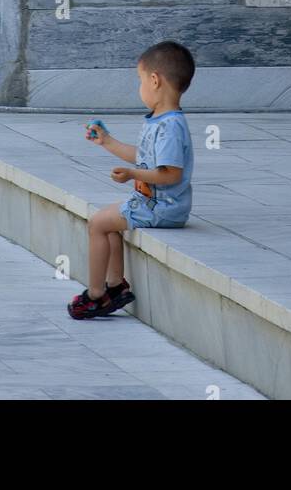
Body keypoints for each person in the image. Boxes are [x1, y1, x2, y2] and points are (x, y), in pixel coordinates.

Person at [67, 40, 195, 319]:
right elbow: (143, 157)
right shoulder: (160, 120)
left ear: (154, 80)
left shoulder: (170, 126)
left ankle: (96, 294)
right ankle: (115, 286)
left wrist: (133, 175)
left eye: (140, 80)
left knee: (98, 224)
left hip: (163, 207)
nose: (139, 88)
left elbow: (171, 173)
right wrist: (107, 142)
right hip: (153, 203)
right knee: (108, 225)